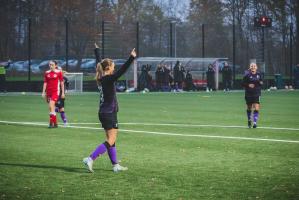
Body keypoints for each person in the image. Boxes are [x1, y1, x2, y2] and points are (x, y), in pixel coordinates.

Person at [83, 43, 136, 173]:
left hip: (104, 112)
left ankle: (115, 165)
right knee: (111, 139)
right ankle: (90, 158)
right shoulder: (108, 79)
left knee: (111, 140)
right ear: (108, 68)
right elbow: (122, 71)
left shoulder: (102, 77)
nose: (114, 68)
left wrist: (96, 51)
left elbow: (100, 63)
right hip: (109, 113)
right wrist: (131, 58)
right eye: (113, 66)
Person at [42, 60, 65, 128]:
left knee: (51, 106)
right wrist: (43, 92)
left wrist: (63, 92)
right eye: (50, 65)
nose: (51, 66)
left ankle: (51, 123)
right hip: (48, 92)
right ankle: (55, 124)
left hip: (55, 92)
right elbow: (45, 83)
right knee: (51, 108)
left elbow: (62, 83)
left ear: (56, 65)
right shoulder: (46, 73)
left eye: (52, 65)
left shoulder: (59, 72)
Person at [242, 63, 263, 128]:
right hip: (248, 93)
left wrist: (261, 83)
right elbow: (242, 84)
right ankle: (249, 120)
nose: (253, 67)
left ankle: (254, 123)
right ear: (250, 67)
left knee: (256, 108)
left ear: (256, 67)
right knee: (249, 108)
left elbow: (262, 82)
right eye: (252, 66)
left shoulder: (259, 75)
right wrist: (248, 85)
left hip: (257, 93)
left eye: (254, 66)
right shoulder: (247, 75)